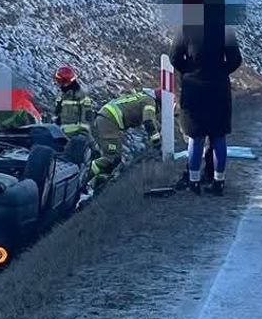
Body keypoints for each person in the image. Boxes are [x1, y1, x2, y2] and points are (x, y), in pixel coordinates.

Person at [173, 23, 243, 195]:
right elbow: (236, 60)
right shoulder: (225, 29)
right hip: (218, 89)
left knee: (195, 137)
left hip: (193, 90)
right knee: (218, 136)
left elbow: (174, 57)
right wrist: (220, 71)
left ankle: (194, 182)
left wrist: (190, 71)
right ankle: (219, 182)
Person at [90, 88, 161, 179]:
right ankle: (84, 180)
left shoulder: (143, 98)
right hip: (109, 121)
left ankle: (97, 183)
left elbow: (154, 123)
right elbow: (148, 121)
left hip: (106, 119)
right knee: (112, 158)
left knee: (114, 159)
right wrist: (157, 142)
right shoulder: (150, 102)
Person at [52, 65, 95, 137]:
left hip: (75, 135)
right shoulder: (61, 95)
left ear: (67, 81)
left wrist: (83, 133)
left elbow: (87, 115)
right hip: (61, 134)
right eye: (57, 80)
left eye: (60, 80)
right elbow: (56, 114)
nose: (58, 83)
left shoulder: (81, 95)